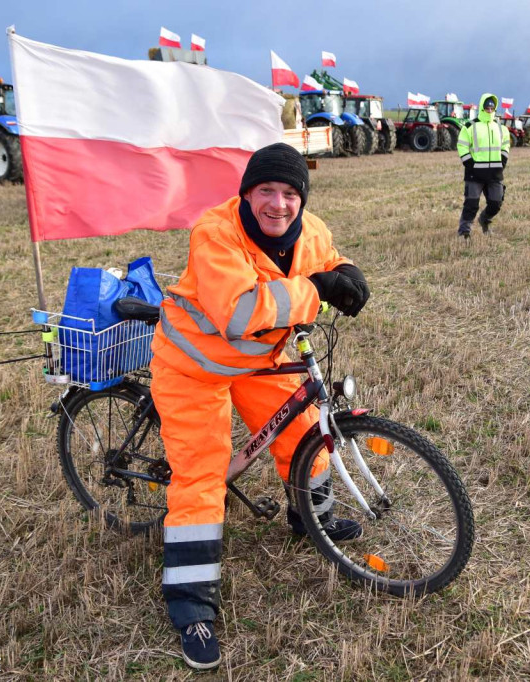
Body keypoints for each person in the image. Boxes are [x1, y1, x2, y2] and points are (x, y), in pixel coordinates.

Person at [149, 142, 370, 670]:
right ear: (245, 194)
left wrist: (349, 272)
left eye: (290, 193)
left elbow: (327, 257)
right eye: (265, 191)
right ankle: (190, 602)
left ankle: (309, 518)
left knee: (303, 433)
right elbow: (242, 310)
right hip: (192, 364)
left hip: (257, 360)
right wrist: (317, 289)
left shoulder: (308, 229)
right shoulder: (215, 232)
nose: (278, 204)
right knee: (202, 476)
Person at [455, 93, 510, 239]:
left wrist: (503, 162)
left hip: (495, 174)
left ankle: (484, 219)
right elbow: (462, 146)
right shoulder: (470, 126)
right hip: (475, 174)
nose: (490, 111)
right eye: (487, 108)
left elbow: (505, 145)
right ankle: (464, 232)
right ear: (482, 108)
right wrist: (470, 165)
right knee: (471, 204)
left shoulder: (501, 128)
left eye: (492, 108)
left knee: (496, 203)